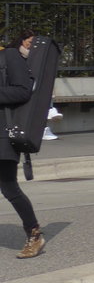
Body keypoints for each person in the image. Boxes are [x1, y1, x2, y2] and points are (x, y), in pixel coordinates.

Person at [1, 33, 44, 257]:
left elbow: (23, 90)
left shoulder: (8, 56)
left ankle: (34, 233)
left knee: (8, 187)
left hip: (2, 134)